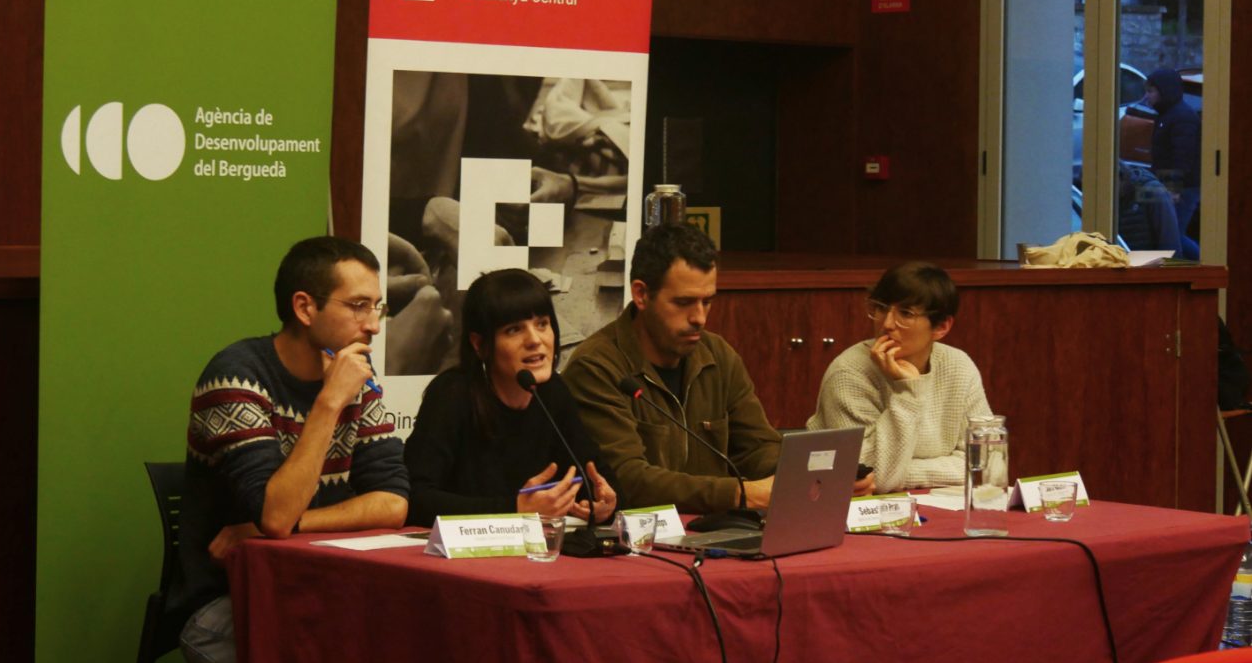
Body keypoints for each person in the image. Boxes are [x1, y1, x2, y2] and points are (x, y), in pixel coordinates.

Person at [170, 237, 410, 663]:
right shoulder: (236, 375)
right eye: (358, 306)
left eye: (377, 307)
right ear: (304, 308)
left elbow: (392, 503)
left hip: (320, 590)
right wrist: (329, 402)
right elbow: (277, 515)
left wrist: (278, 527)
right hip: (229, 601)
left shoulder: (356, 376)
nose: (374, 325)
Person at [564, 223, 876, 514]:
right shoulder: (596, 367)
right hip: (638, 539)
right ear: (642, 294)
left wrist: (817, 475)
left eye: (707, 302)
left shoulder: (716, 354)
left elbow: (757, 449)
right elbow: (628, 479)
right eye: (684, 303)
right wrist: (742, 494)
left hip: (715, 529)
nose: (699, 317)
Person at [404, 268, 619, 526]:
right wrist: (515, 509)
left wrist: (604, 504)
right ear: (479, 344)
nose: (535, 340)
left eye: (542, 324)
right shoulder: (452, 394)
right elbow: (416, 499)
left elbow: (595, 474)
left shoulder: (553, 391)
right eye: (514, 330)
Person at [805, 261, 991, 494]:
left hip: (937, 500)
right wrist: (908, 391)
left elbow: (985, 464)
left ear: (941, 327)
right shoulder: (848, 373)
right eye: (881, 308)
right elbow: (868, 475)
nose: (887, 324)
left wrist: (903, 473)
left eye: (905, 313)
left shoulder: (958, 366)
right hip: (856, 508)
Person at [1145, 68, 1201, 259]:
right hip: (1162, 183)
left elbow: (1182, 157)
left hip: (1182, 188)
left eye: (1151, 91)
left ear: (1164, 91)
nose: (1147, 96)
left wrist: (1173, 188)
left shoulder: (1182, 117)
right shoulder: (1167, 114)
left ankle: (1204, 262)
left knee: (1173, 235)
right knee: (1159, 231)